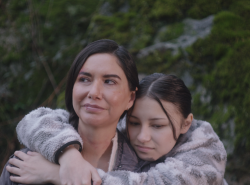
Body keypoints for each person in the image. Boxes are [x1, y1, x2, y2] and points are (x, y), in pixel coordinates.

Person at [1, 43, 227, 184]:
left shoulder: (147, 166)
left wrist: (59, 175)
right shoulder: (29, 162)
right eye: (84, 79)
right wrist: (68, 157)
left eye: (109, 81)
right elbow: (38, 119)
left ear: (130, 98)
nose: (94, 92)